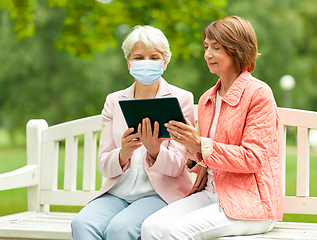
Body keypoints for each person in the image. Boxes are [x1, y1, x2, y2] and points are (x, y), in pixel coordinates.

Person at [141, 16, 283, 239]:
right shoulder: (208, 97)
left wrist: (199, 144)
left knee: (176, 232)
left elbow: (254, 158)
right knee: (150, 227)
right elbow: (204, 157)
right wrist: (188, 145)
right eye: (206, 46)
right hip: (209, 195)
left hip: (250, 202)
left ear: (237, 49)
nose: (208, 54)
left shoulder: (258, 94)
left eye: (216, 48)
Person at [71, 25, 195, 240]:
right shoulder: (114, 101)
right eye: (139, 57)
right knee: (81, 224)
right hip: (117, 193)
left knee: (120, 228)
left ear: (164, 62)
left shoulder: (181, 99)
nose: (146, 62)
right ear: (129, 63)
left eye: (154, 57)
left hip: (159, 194)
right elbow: (104, 164)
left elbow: (177, 167)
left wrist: (155, 150)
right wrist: (124, 152)